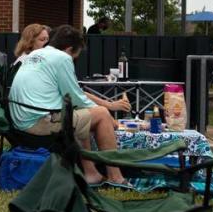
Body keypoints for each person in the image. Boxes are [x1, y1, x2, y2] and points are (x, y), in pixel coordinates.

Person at [9, 25, 130, 186]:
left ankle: (91, 173)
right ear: (69, 49)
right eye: (75, 56)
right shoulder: (62, 58)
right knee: (100, 114)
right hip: (37, 124)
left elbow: (74, 99)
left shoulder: (36, 54)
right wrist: (108, 115)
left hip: (21, 121)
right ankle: (116, 177)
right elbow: (76, 97)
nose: (74, 60)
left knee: (82, 116)